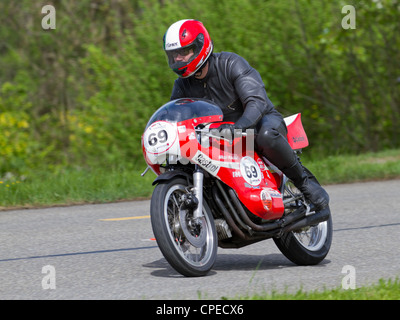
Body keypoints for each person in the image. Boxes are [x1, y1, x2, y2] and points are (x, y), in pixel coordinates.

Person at [163, 19, 329, 211]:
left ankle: (305, 183)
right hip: (220, 136)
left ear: (201, 46)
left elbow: (256, 101)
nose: (178, 59)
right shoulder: (181, 86)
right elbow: (177, 119)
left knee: (266, 135)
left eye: (184, 52)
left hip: (257, 121)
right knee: (181, 157)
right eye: (174, 55)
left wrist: (239, 126)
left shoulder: (230, 63)